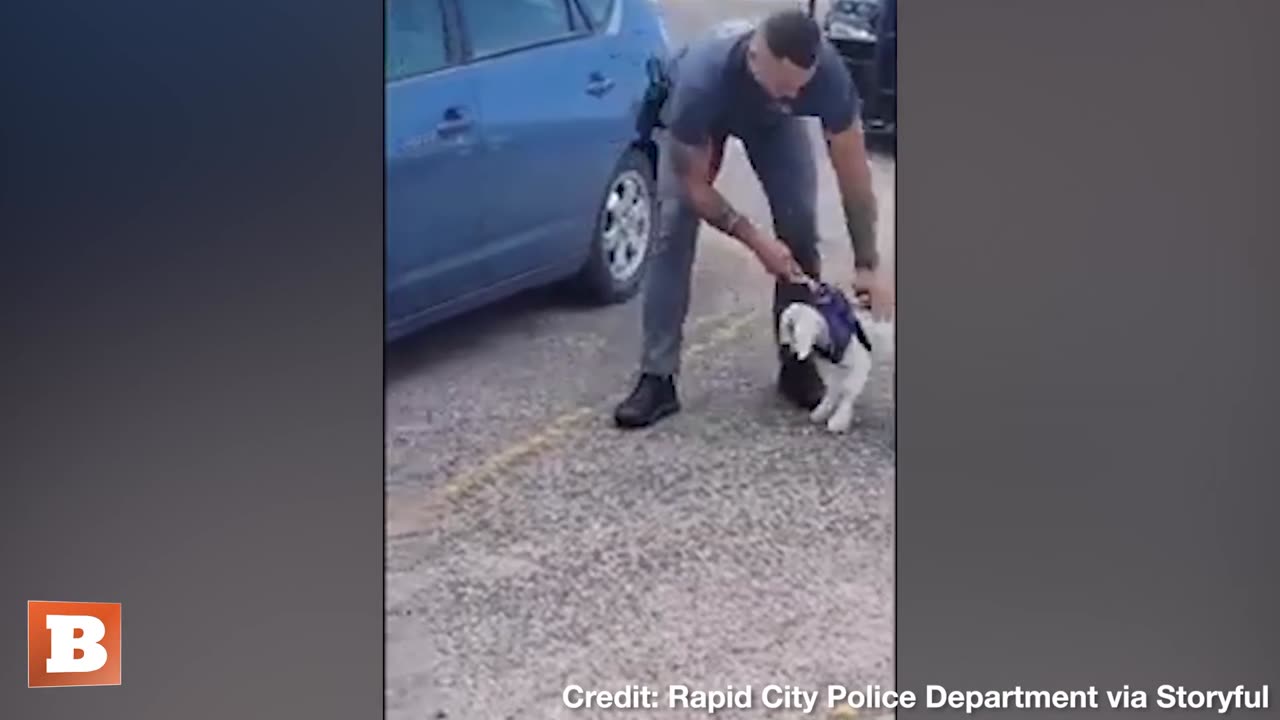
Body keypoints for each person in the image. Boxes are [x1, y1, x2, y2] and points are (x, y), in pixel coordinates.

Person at [613, 9, 894, 429]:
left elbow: (852, 169)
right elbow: (694, 185)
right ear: (754, 58)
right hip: (704, 124)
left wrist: (868, 263)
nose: (790, 99)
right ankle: (657, 377)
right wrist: (754, 240)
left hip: (771, 128)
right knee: (673, 228)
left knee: (799, 224)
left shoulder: (825, 77)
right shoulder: (700, 80)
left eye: (798, 92)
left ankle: (797, 365)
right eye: (782, 89)